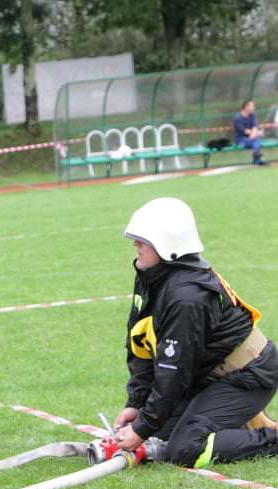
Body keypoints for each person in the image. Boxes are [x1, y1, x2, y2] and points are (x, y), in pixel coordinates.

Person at [112, 197, 278, 468]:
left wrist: (141, 428)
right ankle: (239, 418)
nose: (135, 244)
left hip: (247, 375)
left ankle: (269, 437)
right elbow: (140, 343)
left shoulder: (187, 296)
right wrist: (137, 405)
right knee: (158, 435)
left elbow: (174, 372)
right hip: (210, 374)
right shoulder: (151, 275)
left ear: (167, 246)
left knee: (185, 449)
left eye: (142, 240)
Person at [233, 100, 266, 166]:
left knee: (256, 139)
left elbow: (255, 126)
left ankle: (256, 158)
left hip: (252, 138)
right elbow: (244, 131)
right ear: (246, 107)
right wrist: (256, 133)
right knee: (256, 139)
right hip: (240, 140)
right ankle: (257, 158)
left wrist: (254, 133)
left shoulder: (252, 115)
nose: (254, 107)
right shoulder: (237, 117)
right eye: (252, 106)